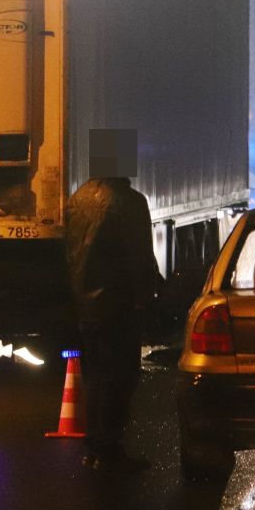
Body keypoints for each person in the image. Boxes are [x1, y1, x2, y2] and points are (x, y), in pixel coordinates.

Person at [65, 144, 161, 473]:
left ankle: (95, 444)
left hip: (86, 304)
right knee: (121, 376)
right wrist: (145, 296)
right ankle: (109, 447)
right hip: (118, 304)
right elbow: (139, 256)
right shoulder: (130, 203)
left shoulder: (78, 200)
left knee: (95, 376)